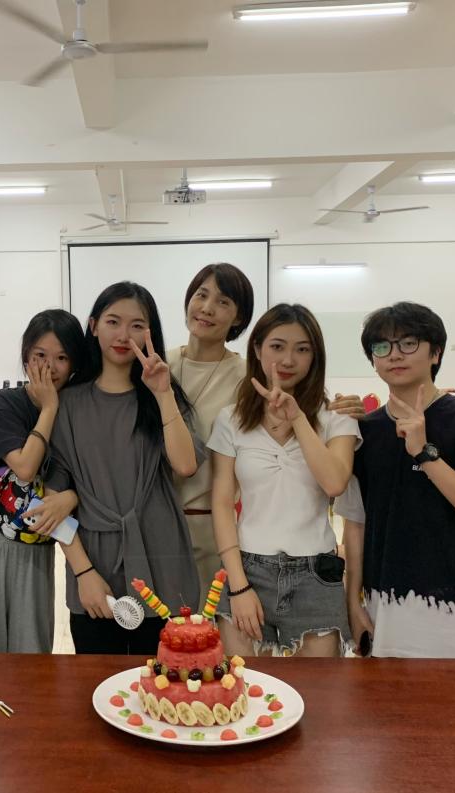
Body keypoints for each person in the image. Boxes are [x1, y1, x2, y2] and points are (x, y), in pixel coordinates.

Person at [334, 302, 455, 658]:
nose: (394, 355)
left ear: (435, 352)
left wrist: (424, 454)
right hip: (385, 607)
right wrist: (353, 603)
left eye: (408, 343)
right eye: (382, 346)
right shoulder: (366, 432)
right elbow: (355, 525)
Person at [45, 281, 203, 654]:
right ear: (93, 326)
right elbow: (53, 500)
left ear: (150, 333)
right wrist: (83, 572)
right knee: (98, 680)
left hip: (161, 556)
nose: (123, 335)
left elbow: (185, 465)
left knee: (164, 678)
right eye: (113, 322)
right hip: (94, 561)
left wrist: (162, 393)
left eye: (136, 325)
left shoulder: (162, 394)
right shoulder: (67, 404)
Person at [208, 304, 359, 657]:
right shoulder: (231, 420)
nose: (288, 359)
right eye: (277, 346)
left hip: (316, 574)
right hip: (247, 569)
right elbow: (222, 503)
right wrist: (238, 586)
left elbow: (334, 483)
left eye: (302, 349)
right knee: (245, 685)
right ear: (257, 349)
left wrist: (298, 418)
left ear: (315, 357)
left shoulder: (336, 417)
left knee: (319, 687)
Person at [0, 310, 87, 691]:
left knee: (31, 668)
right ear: (26, 357)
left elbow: (88, 480)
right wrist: (49, 409)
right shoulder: (4, 403)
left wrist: (70, 496)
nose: (50, 367)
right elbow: (25, 467)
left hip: (36, 552)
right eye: (40, 355)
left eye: (61, 357)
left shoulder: (78, 413)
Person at [166, 263, 253, 588]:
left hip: (213, 530)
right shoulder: (160, 364)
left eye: (223, 302)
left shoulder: (246, 378)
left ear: (238, 318)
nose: (207, 308)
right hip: (156, 528)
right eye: (201, 295)